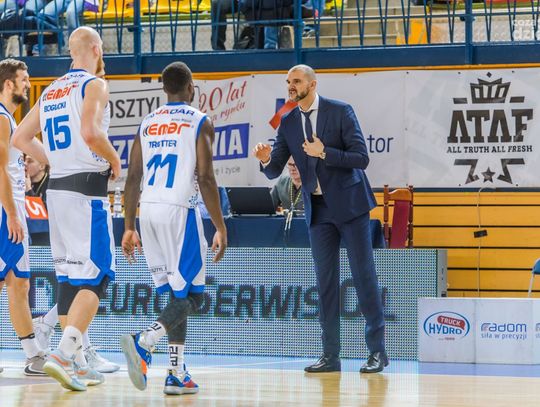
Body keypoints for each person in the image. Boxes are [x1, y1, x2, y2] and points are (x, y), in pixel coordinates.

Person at [252, 64, 388, 374]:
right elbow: (274, 169)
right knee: (325, 283)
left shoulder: (340, 111)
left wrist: (325, 152)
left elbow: (361, 158)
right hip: (317, 209)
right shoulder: (288, 121)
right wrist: (265, 159)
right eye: (288, 81)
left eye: (296, 81)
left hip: (351, 206)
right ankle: (330, 356)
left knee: (363, 277)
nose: (291, 86)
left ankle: (377, 352)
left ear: (312, 85)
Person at [13, 26, 121, 391]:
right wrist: (114, 159)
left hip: (56, 192)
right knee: (99, 275)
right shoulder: (94, 85)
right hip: (86, 192)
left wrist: (53, 161)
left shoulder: (51, 90)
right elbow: (91, 133)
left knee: (70, 279)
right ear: (95, 48)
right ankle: (62, 354)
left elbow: (20, 138)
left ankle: (76, 363)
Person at [121, 61, 227, 395]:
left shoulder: (148, 122)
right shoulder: (199, 121)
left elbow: (133, 177)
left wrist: (128, 226)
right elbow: (205, 177)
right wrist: (220, 226)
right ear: (191, 87)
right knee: (195, 296)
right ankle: (145, 340)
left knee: (175, 293)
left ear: (164, 89)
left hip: (148, 210)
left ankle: (176, 373)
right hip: (180, 211)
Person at [0, 58, 47, 376]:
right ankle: (33, 355)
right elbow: (0, 169)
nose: (28, 84)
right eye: (24, 79)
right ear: (8, 84)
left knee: (16, 283)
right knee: (16, 282)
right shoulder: (2, 118)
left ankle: (32, 355)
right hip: (6, 212)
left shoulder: (10, 120)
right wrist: (12, 214)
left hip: (8, 209)